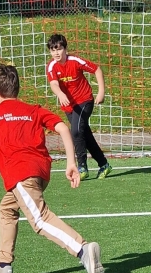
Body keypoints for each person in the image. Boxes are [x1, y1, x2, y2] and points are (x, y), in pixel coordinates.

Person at [0, 64, 105, 273]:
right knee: (7, 209)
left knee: (40, 219)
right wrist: (71, 163)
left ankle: (82, 249)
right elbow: (63, 128)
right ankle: (3, 263)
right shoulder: (33, 110)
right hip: (40, 173)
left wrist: (1, 151)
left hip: (20, 174)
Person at [46, 33, 113, 180]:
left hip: (84, 100)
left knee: (76, 131)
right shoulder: (51, 66)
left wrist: (101, 92)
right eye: (52, 50)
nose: (56, 53)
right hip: (69, 106)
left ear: (65, 49)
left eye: (59, 49)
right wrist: (60, 94)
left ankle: (82, 167)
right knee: (84, 135)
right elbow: (54, 84)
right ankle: (104, 164)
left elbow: (96, 69)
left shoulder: (75, 61)